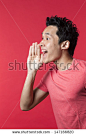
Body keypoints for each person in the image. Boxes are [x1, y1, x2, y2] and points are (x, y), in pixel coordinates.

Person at [20, 15, 86, 129]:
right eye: (42, 38)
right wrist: (31, 72)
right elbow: (25, 105)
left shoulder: (84, 71)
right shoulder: (50, 75)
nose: (41, 43)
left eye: (47, 38)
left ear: (64, 44)